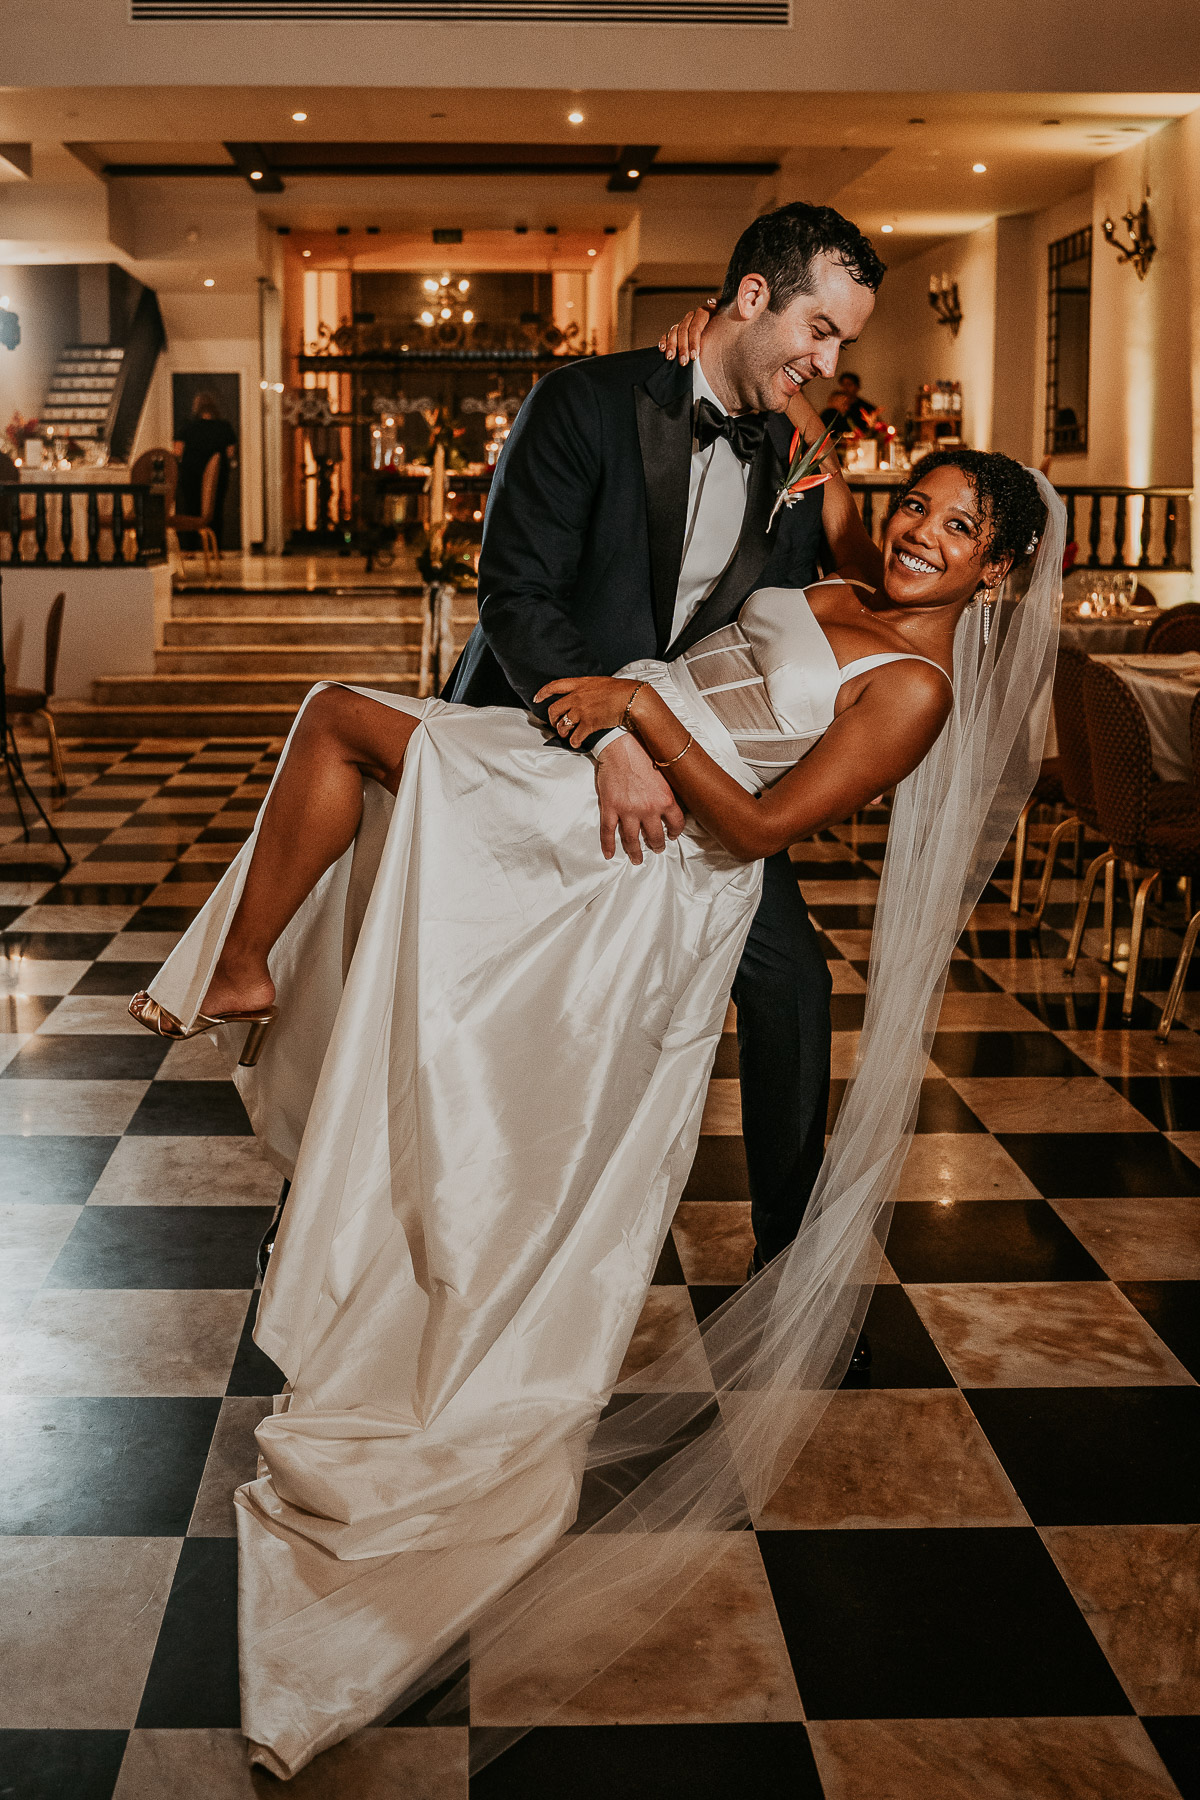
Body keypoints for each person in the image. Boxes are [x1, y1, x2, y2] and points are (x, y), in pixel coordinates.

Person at [127, 419, 1056, 1776]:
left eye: (961, 527)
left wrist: (638, 713)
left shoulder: (914, 686)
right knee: (349, 750)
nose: (923, 532)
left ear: (1002, 571)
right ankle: (258, 976)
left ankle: (253, 975)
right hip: (594, 775)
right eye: (921, 504)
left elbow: (761, 832)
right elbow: (824, 489)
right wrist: (792, 415)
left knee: (345, 725)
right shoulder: (856, 570)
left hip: (649, 855)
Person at [446, 204, 885, 1280]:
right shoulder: (584, 403)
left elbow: (823, 602)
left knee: (793, 987)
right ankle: (368, 1223)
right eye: (817, 333)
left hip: (690, 761)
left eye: (842, 346)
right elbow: (518, 595)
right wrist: (605, 741)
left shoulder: (792, 449)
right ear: (749, 299)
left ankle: (786, 1273)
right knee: (447, 984)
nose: (827, 364)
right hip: (534, 734)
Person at [173, 390, 237, 547]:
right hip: (218, 474)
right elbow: (230, 452)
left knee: (190, 509)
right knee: (215, 510)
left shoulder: (187, 426)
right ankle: (216, 547)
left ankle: (189, 548)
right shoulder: (224, 426)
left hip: (190, 474)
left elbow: (177, 451)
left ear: (197, 407)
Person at [820, 368, 884, 441]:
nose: (845, 388)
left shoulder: (867, 407)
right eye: (843, 385)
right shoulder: (832, 412)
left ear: (857, 387)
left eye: (849, 385)